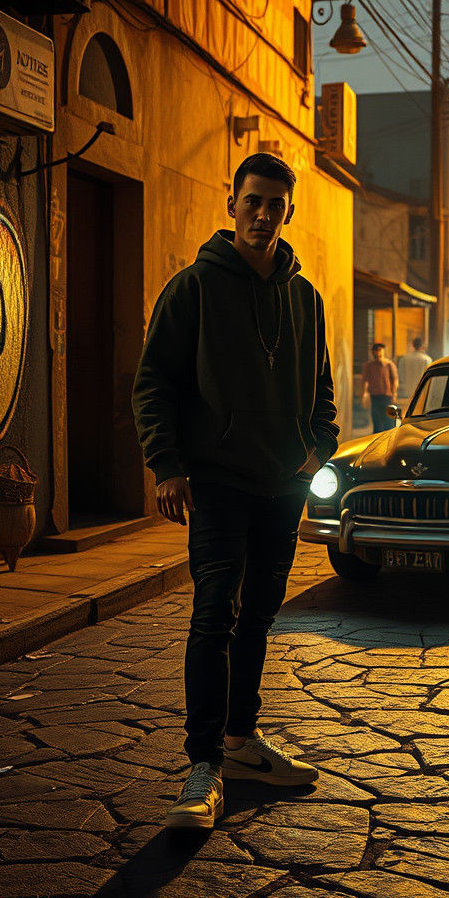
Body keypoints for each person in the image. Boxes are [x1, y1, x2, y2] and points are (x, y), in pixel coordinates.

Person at [132, 153, 339, 830]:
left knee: (259, 615)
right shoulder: (192, 288)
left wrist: (320, 447)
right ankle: (202, 766)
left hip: (283, 485)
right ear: (232, 203)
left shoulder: (304, 298)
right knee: (214, 612)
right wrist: (166, 466)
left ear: (288, 211)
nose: (261, 213)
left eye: (274, 204)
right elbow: (154, 380)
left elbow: (323, 386)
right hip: (217, 482)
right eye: (251, 201)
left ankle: (242, 741)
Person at [362, 342, 399, 432]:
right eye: (376, 350)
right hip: (375, 396)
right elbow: (365, 381)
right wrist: (364, 394)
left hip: (387, 396)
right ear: (372, 352)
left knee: (389, 421)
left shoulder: (389, 364)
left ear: (383, 351)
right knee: (376, 420)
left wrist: (394, 393)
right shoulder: (369, 366)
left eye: (380, 350)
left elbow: (395, 379)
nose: (378, 352)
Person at [397, 337, 432, 411]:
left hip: (407, 392)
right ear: (423, 346)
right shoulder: (426, 359)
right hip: (422, 391)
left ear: (413, 345)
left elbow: (401, 375)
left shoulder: (404, 358)